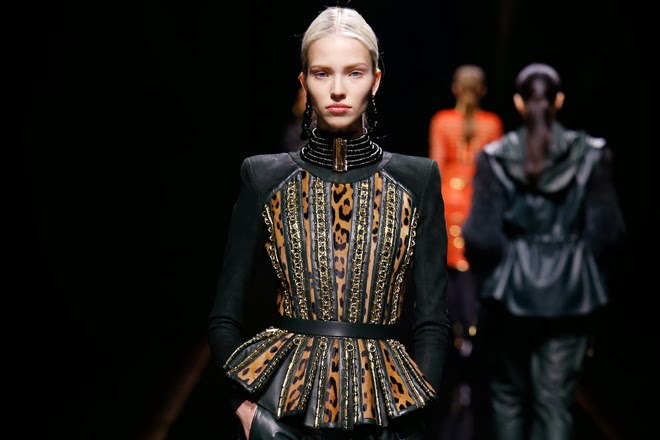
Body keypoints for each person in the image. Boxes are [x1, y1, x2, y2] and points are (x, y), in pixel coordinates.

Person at [208, 6, 450, 440]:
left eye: (354, 73)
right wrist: (244, 410)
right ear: (304, 83)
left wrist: (419, 413)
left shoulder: (418, 180)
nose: (338, 89)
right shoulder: (263, 177)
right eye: (322, 73)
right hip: (284, 413)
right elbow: (225, 314)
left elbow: (432, 319)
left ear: (376, 80)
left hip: (385, 417)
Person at [461, 63, 626, 440]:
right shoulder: (591, 155)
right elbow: (608, 233)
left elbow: (481, 237)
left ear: (519, 103)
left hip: (509, 296)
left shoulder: (495, 158)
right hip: (572, 297)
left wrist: (507, 266)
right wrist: (576, 263)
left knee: (508, 397)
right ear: (559, 101)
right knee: (555, 402)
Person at [427, 65, 503, 439]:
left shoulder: (442, 121)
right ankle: (470, 352)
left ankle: (454, 353)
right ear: (482, 90)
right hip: (477, 213)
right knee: (474, 287)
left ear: (456, 88)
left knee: (450, 290)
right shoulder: (493, 124)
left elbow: (436, 168)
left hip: (449, 211)